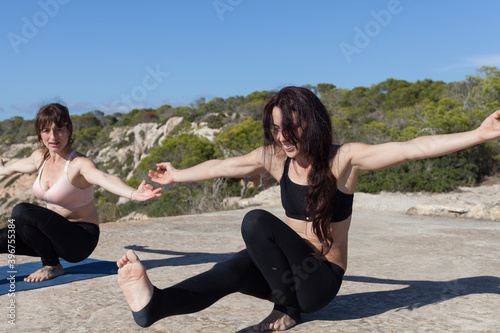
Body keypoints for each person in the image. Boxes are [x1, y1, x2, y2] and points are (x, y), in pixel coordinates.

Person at [116, 86, 500, 331]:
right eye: (277, 129)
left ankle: (286, 311)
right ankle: (155, 306)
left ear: (312, 124)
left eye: (291, 128)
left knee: (255, 222)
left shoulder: (344, 160)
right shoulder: (274, 157)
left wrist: (479, 135)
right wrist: (177, 174)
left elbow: (413, 146)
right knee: (232, 268)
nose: (283, 137)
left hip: (318, 282)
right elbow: (224, 165)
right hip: (280, 274)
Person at [0, 103, 162, 283]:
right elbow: (12, 168)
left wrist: (133, 193)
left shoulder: (79, 164)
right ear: (39, 133)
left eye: (59, 129)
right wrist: (2, 169)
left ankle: (52, 265)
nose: (53, 137)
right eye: (46, 130)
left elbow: (104, 178)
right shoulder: (40, 157)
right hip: (51, 237)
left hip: (79, 240)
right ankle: (50, 260)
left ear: (69, 130)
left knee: (21, 211)